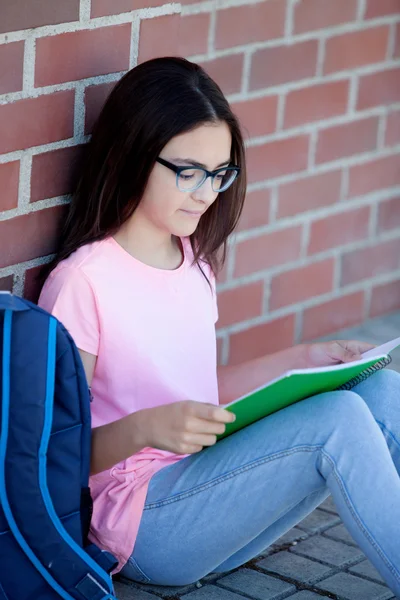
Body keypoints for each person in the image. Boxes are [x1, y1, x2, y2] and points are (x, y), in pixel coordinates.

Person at [38, 56, 400, 597]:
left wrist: (304, 359)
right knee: (339, 419)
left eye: (220, 173)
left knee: (380, 388)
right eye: (188, 172)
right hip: (144, 523)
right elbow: (50, 455)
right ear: (134, 154)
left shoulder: (194, 262)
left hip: (207, 488)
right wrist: (146, 430)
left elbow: (197, 394)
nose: (207, 192)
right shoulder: (83, 283)